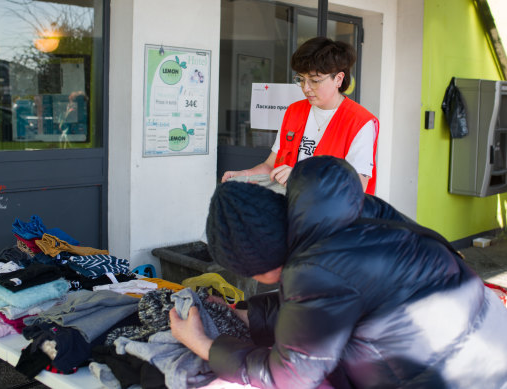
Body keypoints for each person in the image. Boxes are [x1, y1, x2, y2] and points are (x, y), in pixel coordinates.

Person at [170, 156, 507, 388]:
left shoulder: (315, 269)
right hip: (488, 351)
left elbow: (290, 378)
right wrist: (248, 315)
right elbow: (334, 303)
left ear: (262, 267)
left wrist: (203, 343)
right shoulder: (347, 213)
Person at [222, 37, 379, 195]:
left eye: (315, 81)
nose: (306, 88)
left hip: (332, 216)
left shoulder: (359, 122)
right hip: (291, 208)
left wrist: (301, 176)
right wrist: (245, 175)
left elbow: (357, 186)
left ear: (338, 79)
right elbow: (270, 165)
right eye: (301, 79)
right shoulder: (294, 111)